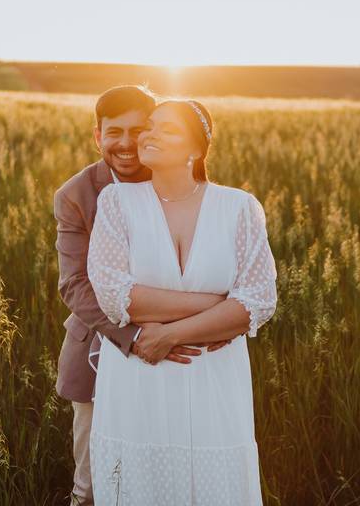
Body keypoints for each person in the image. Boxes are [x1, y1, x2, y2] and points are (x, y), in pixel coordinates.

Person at [87, 98, 278, 505]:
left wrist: (169, 334)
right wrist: (219, 304)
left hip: (213, 379)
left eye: (167, 130)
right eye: (150, 126)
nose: (150, 135)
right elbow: (115, 296)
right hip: (137, 380)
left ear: (195, 150)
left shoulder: (239, 207)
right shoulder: (116, 204)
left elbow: (259, 299)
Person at [53, 86, 233, 506]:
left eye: (139, 130)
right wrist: (137, 336)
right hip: (101, 350)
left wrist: (200, 326)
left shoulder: (179, 180)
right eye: (114, 132)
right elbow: (75, 285)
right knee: (96, 484)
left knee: (169, 477)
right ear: (97, 137)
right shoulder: (76, 196)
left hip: (189, 351)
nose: (127, 143)